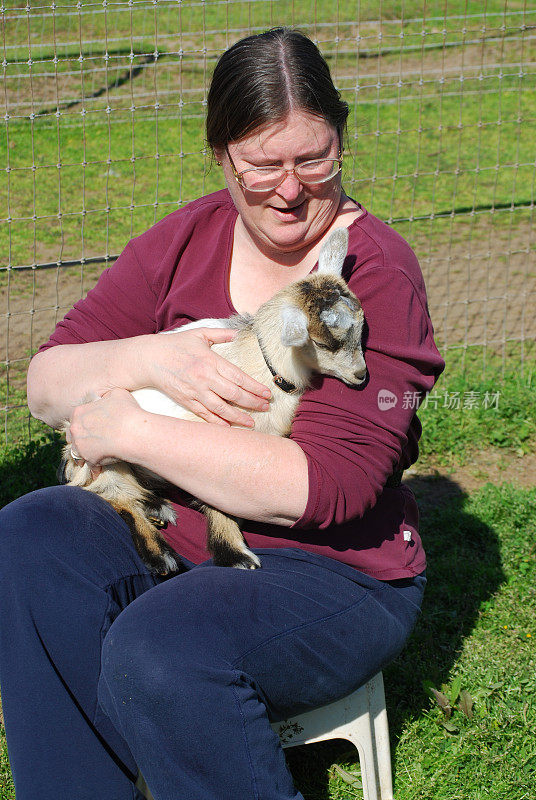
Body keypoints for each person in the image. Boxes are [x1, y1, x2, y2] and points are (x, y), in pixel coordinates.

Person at [0, 27, 444, 800]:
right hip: (184, 540)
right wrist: (148, 358)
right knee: (30, 534)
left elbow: (323, 489)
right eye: (261, 164)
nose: (290, 188)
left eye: (314, 158)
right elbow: (45, 383)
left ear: (343, 138)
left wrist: (131, 430)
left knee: (161, 647)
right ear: (220, 156)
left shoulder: (372, 276)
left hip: (327, 574)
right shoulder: (189, 238)